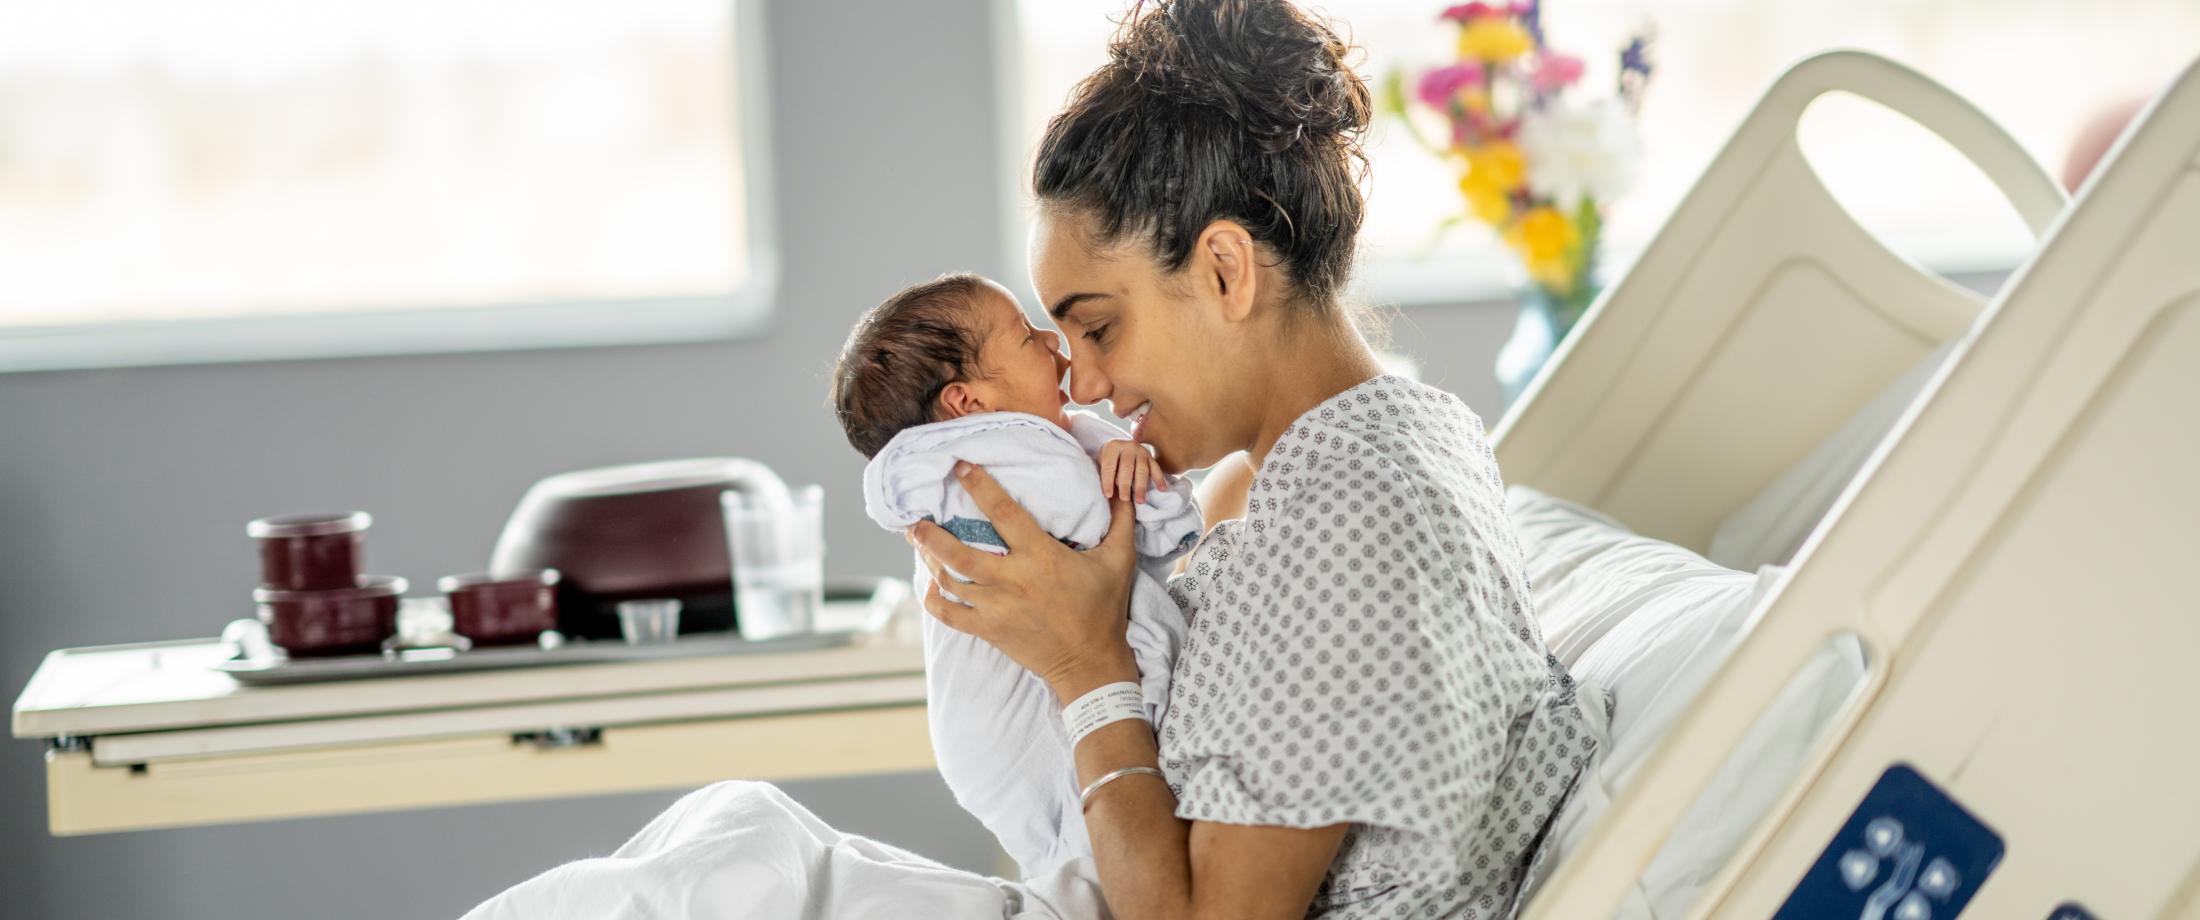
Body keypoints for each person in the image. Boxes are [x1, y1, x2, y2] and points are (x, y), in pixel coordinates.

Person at [903, 1, 1603, 916]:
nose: (1081, 385)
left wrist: (1086, 666)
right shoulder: (1364, 449)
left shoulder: (1346, 520)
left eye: (1100, 327)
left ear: (1227, 270)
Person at [832, 271, 1202, 876]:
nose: (1057, 346)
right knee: (1102, 840)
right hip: (1010, 720)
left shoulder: (1012, 453)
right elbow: (1112, 528)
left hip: (989, 736)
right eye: (1028, 337)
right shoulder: (988, 457)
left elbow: (1125, 552)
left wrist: (1126, 465)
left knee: (1077, 856)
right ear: (968, 402)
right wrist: (1129, 480)